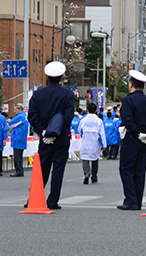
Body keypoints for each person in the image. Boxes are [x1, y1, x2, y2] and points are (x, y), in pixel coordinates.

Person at [27, 61, 75, 209]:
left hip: (44, 138)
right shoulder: (68, 94)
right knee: (58, 169)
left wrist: (43, 131)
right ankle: (53, 201)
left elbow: (32, 116)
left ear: (47, 77)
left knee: (41, 169)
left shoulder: (38, 94)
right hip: (61, 137)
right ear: (61, 78)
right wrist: (57, 131)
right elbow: (68, 116)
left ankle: (33, 198)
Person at [118, 70, 146, 210]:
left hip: (131, 138)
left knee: (126, 168)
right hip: (145, 141)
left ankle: (130, 199)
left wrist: (137, 134)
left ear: (131, 84)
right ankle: (138, 200)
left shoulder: (128, 100)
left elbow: (127, 120)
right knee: (140, 171)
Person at [78, 102, 107, 184]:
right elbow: (102, 133)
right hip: (95, 142)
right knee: (95, 160)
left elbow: (79, 130)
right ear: (96, 110)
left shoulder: (83, 120)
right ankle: (94, 177)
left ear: (87, 110)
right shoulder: (99, 121)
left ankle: (86, 173)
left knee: (85, 159)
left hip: (86, 141)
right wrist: (104, 145)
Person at [8, 103, 29, 177]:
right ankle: (19, 170)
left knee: (17, 156)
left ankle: (19, 171)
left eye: (15, 109)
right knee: (19, 156)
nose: (14, 111)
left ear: (19, 109)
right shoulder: (24, 116)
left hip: (18, 138)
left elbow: (11, 123)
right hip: (21, 138)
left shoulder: (20, 116)